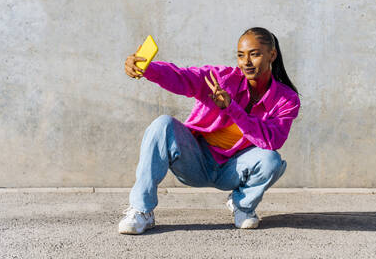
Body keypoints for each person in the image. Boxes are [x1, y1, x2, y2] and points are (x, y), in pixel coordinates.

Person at [118, 27, 300, 234]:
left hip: (233, 170)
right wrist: (147, 68)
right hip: (196, 162)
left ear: (272, 55)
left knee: (271, 160)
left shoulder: (287, 99)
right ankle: (142, 211)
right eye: (241, 55)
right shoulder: (221, 79)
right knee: (162, 124)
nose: (246, 62)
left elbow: (272, 141)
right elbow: (183, 77)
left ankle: (242, 206)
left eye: (255, 54)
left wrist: (232, 109)